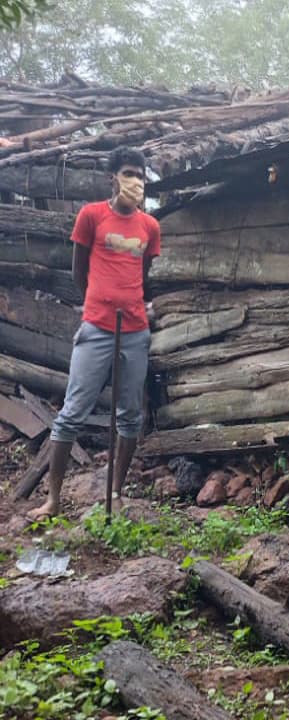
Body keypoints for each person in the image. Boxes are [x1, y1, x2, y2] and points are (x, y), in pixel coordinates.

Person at [26, 147, 160, 523]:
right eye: (129, 173)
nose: (136, 181)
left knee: (130, 417)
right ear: (112, 178)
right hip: (97, 328)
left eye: (141, 176)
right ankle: (53, 499)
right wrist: (97, 305)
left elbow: (142, 276)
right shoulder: (91, 216)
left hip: (135, 331)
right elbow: (78, 272)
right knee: (71, 414)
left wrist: (133, 305)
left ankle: (115, 493)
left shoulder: (150, 227)